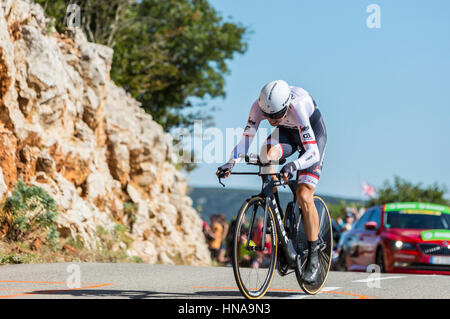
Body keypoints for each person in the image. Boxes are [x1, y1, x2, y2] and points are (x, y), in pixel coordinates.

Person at [216, 80, 327, 284]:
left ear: (286, 106)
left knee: (304, 195)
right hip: (287, 133)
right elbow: (246, 139)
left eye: (276, 115)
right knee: (265, 155)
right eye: (268, 116)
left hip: (312, 135)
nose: (271, 120)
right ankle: (275, 211)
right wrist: (230, 164)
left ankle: (313, 256)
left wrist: (294, 166)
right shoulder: (259, 107)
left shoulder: (299, 106)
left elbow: (312, 152)